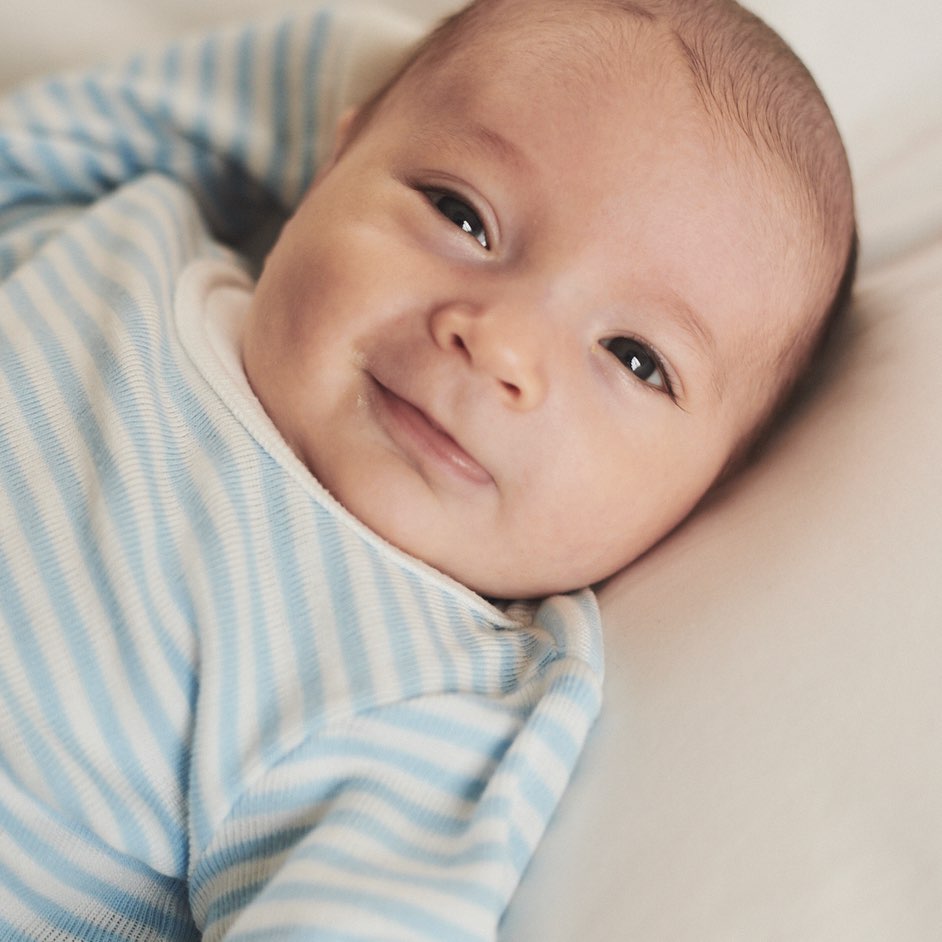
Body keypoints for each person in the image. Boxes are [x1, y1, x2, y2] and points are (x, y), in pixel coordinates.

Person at [0, 0, 854, 938]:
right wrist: (389, 71)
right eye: (462, 214)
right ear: (333, 161)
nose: (501, 347)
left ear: (707, 493)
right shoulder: (137, 232)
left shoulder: (416, 686)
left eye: (633, 357)